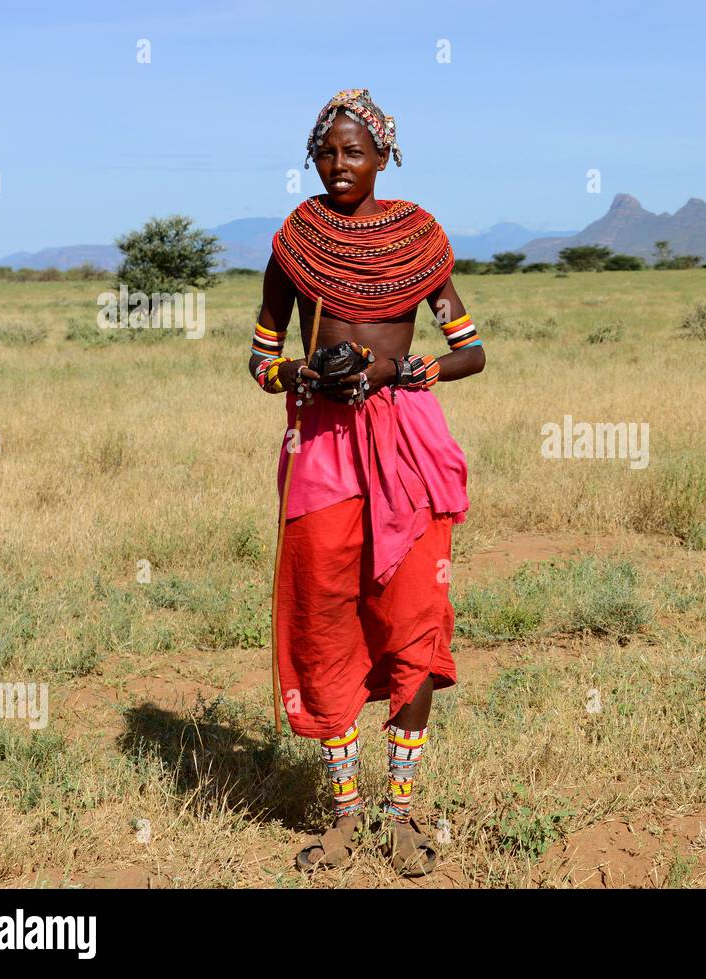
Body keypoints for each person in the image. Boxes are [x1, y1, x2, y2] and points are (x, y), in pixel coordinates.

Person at [247, 89, 485, 876]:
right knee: (324, 622)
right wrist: (299, 371)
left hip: (407, 442)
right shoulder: (296, 242)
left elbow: (470, 351)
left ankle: (403, 814)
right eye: (326, 152)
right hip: (320, 449)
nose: (338, 165)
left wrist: (399, 368)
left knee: (414, 616)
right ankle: (346, 814)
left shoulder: (419, 240)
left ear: (384, 156)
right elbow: (259, 357)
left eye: (354, 151)